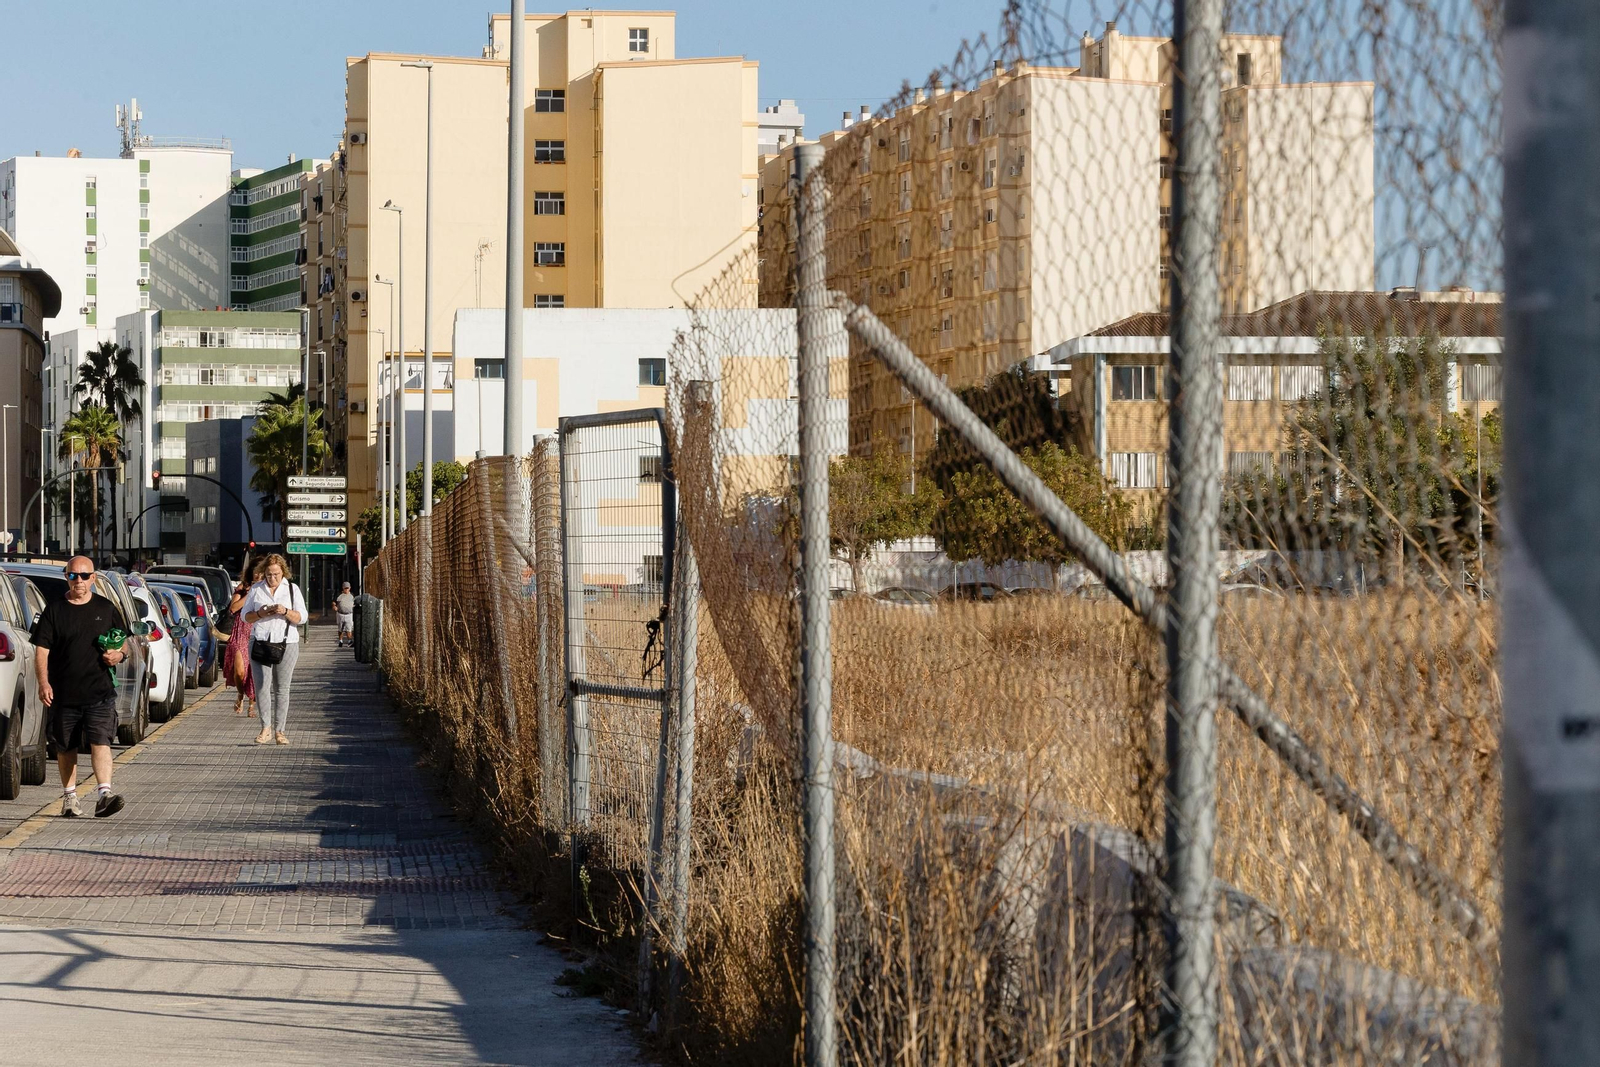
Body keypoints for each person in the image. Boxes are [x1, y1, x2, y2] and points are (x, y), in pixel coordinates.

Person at [30, 556, 127, 818]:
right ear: (66, 577)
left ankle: (104, 794)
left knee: (101, 741)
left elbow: (124, 643)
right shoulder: (54, 610)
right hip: (63, 694)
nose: (79, 581)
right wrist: (43, 683)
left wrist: (118, 655)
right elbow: (41, 650)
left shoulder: (106, 608)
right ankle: (70, 797)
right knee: (65, 747)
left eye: (84, 576)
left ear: (93, 578)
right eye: (73, 576)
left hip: (100, 691)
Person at [241, 554, 305, 745]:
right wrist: (261, 613)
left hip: (287, 642)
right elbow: (245, 617)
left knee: (282, 688)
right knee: (262, 687)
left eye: (276, 574)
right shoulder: (256, 590)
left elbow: (302, 617)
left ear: (283, 572)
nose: (272, 578)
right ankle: (265, 728)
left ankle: (280, 731)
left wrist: (284, 611)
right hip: (260, 641)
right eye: (268, 574)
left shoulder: (292, 589)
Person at [225, 561, 257, 716]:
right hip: (240, 632)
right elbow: (234, 607)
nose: (259, 575)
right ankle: (240, 694)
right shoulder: (243, 589)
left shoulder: (269, 590)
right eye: (256, 571)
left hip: (257, 632)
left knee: (254, 672)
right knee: (239, 671)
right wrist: (251, 593)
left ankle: (252, 702)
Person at [334, 582, 356, 648]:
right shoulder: (339, 595)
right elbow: (334, 602)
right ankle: (340, 640)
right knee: (340, 628)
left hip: (349, 614)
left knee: (349, 628)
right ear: (343, 588)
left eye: (347, 588)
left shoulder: (352, 595)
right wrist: (334, 606)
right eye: (345, 588)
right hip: (340, 614)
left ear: (350, 588)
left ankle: (349, 640)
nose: (346, 590)